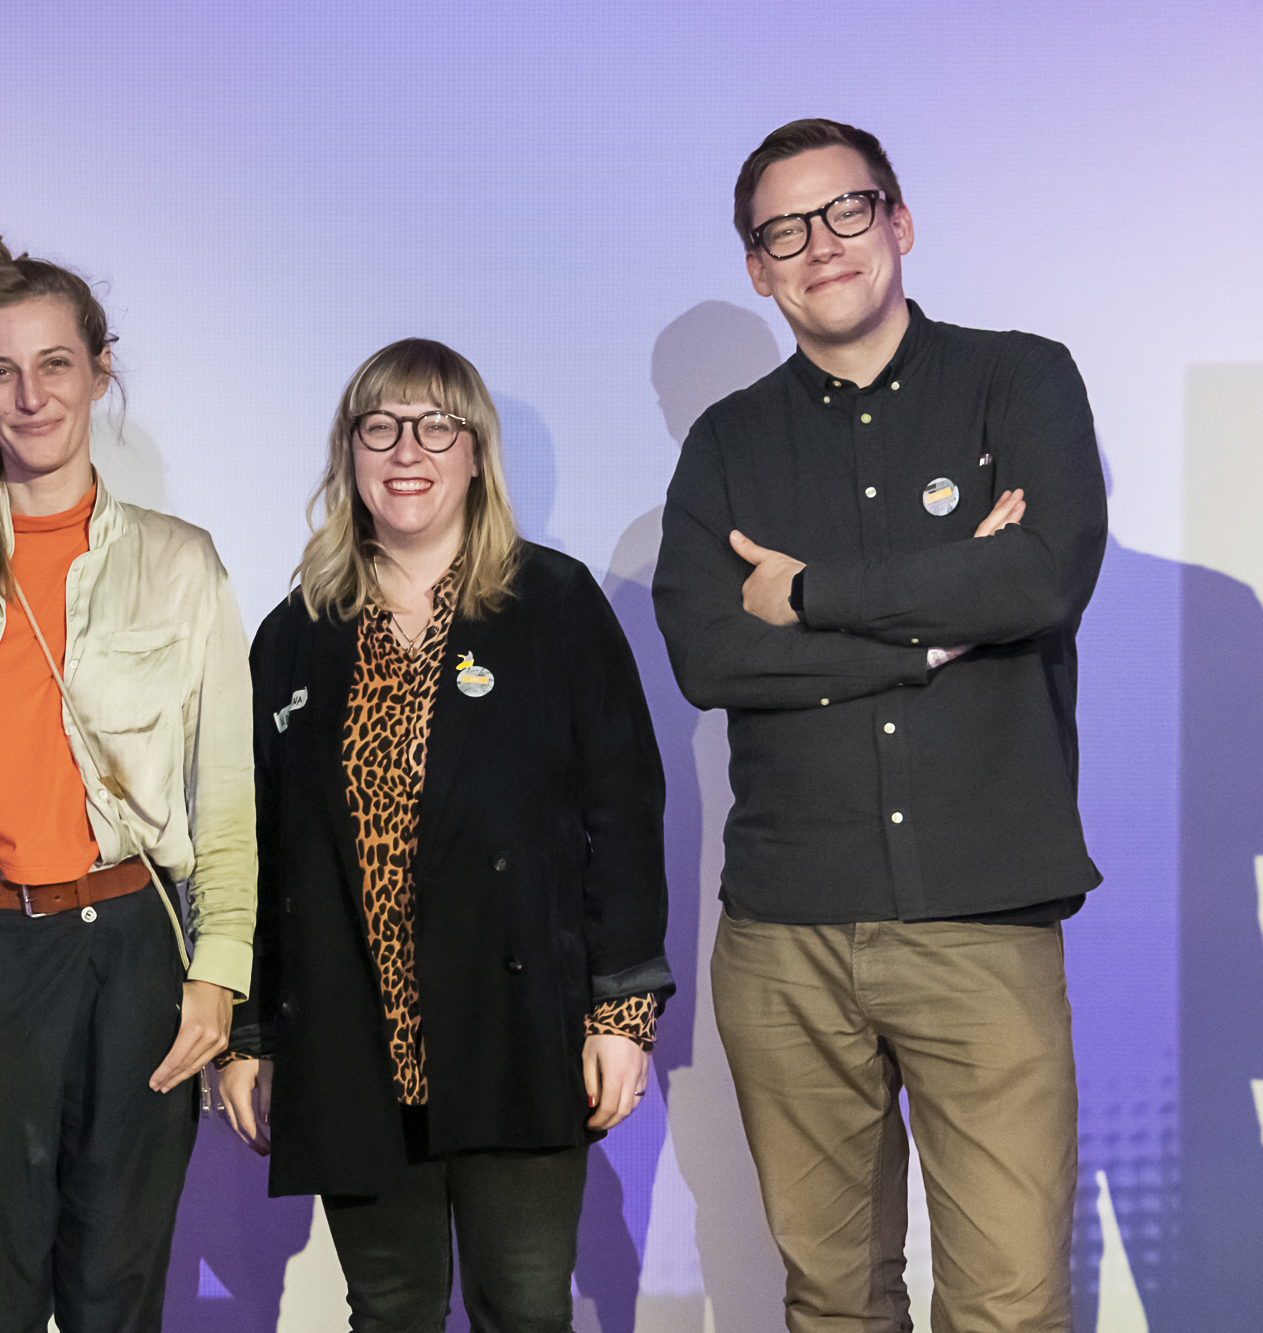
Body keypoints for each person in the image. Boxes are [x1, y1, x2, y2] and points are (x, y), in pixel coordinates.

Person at [653, 119, 1107, 1331]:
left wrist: (808, 596)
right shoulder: (726, 444)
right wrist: (930, 623)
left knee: (1007, 1303)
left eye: (846, 211)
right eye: (782, 231)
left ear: (897, 223)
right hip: (784, 933)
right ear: (755, 267)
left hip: (979, 918)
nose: (819, 247)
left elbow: (1038, 580)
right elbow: (706, 654)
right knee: (833, 1300)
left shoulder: (1018, 380)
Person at [0, 234, 255, 1332]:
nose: (31, 397)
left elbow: (225, 804)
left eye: (54, 364)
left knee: (118, 1288)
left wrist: (217, 974)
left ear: (99, 368)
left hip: (129, 953)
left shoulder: (182, 562)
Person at [220, 338, 671, 1331]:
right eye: (377, 425)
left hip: (517, 1032)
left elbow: (623, 818)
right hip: (347, 1037)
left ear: (475, 454)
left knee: (522, 1307)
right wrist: (248, 1032)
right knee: (386, 1310)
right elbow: (250, 850)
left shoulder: (552, 604)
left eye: (435, 424)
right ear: (348, 453)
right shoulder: (292, 631)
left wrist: (619, 1015)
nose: (405, 448)